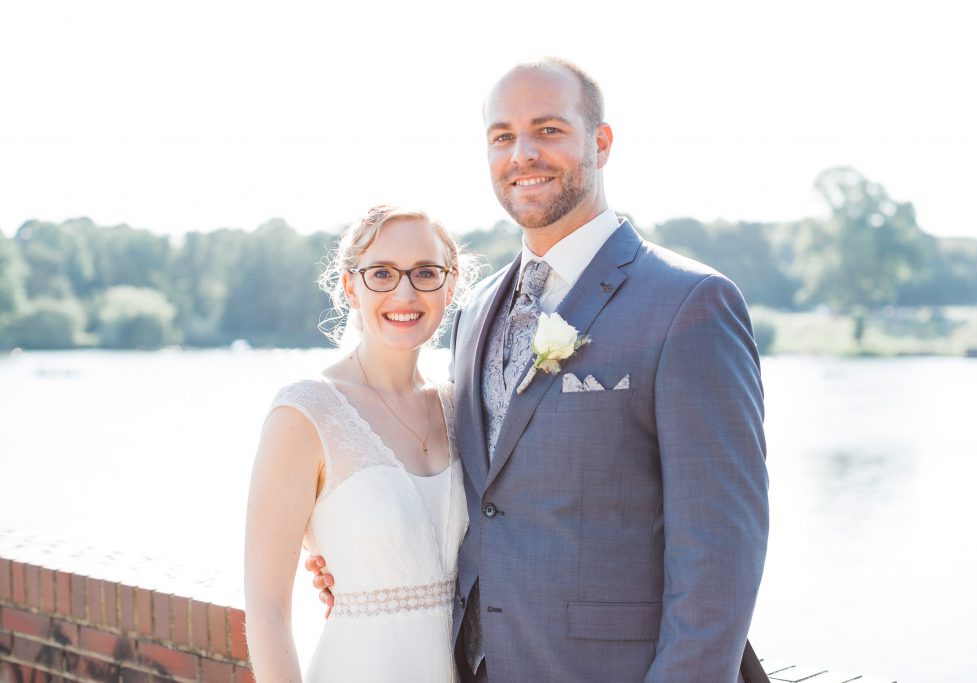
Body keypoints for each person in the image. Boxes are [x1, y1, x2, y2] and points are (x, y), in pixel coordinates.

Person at [310, 59, 770, 682]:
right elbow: (479, 493)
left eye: (548, 130)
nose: (522, 153)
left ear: (599, 143)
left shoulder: (688, 304)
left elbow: (721, 545)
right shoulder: (475, 310)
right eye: (502, 136)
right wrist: (352, 551)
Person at [244, 205, 477, 682]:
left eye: (425, 273)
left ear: (450, 287)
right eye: (382, 274)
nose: (405, 292)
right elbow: (266, 609)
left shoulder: (463, 407)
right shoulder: (305, 413)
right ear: (351, 286)